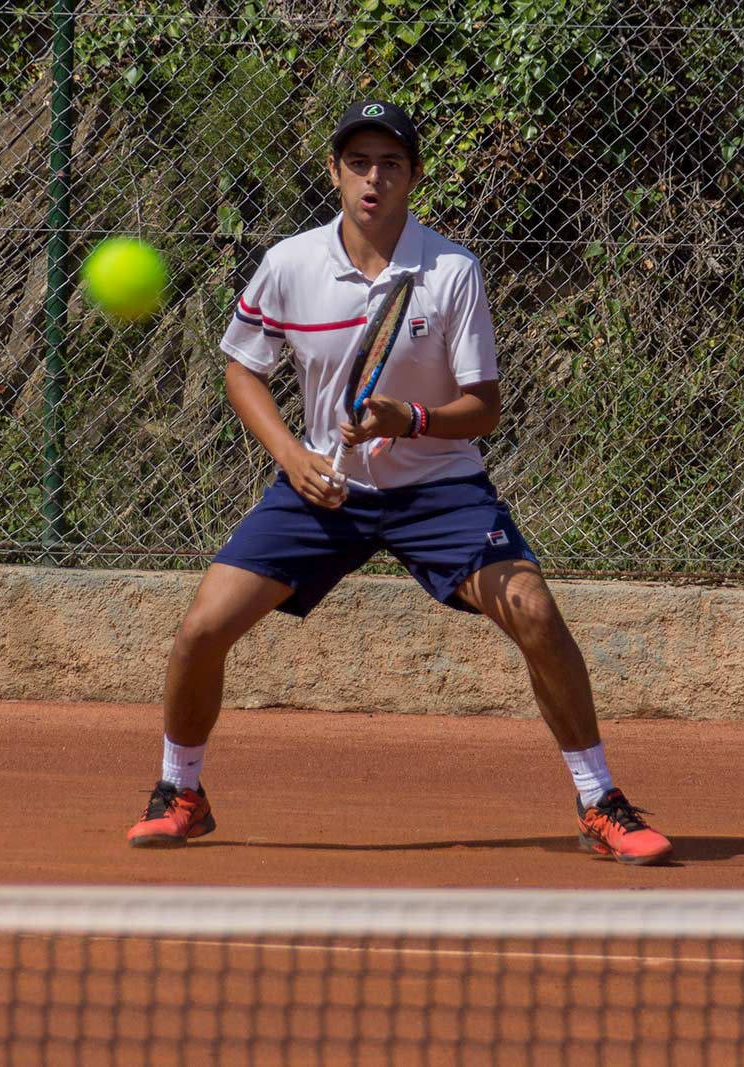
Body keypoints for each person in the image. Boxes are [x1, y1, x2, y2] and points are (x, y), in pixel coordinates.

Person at [125, 101, 672, 865]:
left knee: (534, 612)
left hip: (439, 491)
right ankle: (180, 790)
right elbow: (242, 369)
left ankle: (598, 800)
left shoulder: (451, 271)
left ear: (414, 176)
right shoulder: (289, 263)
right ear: (334, 173)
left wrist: (406, 417)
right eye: (357, 163)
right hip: (324, 488)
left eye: (389, 163)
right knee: (200, 630)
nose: (372, 178)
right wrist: (290, 454)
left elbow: (483, 408)